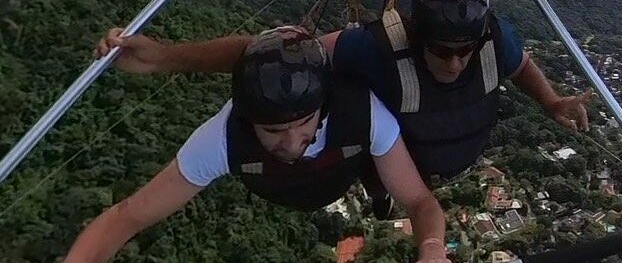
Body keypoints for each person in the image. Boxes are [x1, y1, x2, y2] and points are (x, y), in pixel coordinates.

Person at [98, 0, 591, 184]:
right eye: (444, 49)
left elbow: (521, 63)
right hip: (401, 169)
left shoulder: (493, 39)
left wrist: (550, 102)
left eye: (468, 49)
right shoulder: (374, 50)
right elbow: (277, 53)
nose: (458, 61)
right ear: (419, 36)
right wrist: (166, 57)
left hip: (457, 158)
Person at [68, 27, 450, 263]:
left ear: (323, 105)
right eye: (272, 130)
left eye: (303, 124)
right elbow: (127, 216)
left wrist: (432, 248)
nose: (290, 142)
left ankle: (375, 183)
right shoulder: (224, 137)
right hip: (285, 186)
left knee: (381, 153)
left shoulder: (361, 109)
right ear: (250, 120)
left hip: (342, 168)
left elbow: (419, 201)